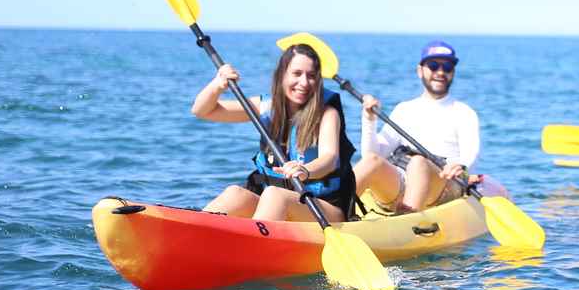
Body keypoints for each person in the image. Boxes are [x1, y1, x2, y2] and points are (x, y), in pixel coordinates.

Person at [192, 42, 356, 223]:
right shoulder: (265, 107)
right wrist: (217, 85)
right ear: (282, 75)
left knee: (275, 195)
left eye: (311, 76)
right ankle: (192, 231)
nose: (304, 82)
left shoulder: (327, 114)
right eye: (297, 73)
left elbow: (330, 159)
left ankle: (255, 239)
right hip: (277, 203)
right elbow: (202, 111)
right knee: (235, 193)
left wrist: (305, 170)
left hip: (322, 208)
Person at [353, 40, 480, 215]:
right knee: (371, 161)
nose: (440, 72)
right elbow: (373, 154)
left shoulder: (464, 112)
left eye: (447, 67)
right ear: (420, 71)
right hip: (402, 180)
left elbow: (470, 154)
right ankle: (334, 211)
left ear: (453, 72)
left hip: (444, 184)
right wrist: (369, 119)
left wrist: (461, 165)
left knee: (419, 163)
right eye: (433, 66)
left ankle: (405, 219)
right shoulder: (404, 109)